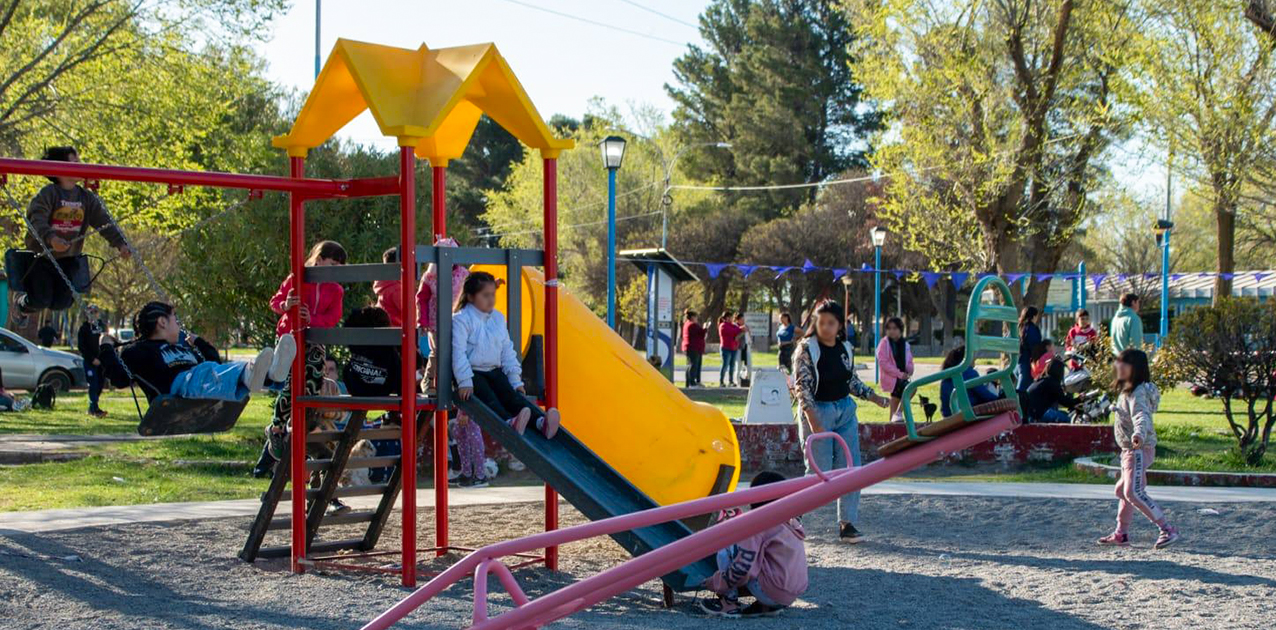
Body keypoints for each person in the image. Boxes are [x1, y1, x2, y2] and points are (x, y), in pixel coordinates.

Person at [792, 300, 889, 542]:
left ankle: (847, 524)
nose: (826, 327)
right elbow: (802, 387)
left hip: (844, 410)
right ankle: (793, 516)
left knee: (850, 467)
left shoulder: (845, 347)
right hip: (818, 410)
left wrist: (873, 397)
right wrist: (814, 421)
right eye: (821, 322)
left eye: (831, 323)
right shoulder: (806, 348)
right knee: (818, 470)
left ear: (839, 325)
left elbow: (851, 381)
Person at [98, 302, 293, 403]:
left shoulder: (180, 347)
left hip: (201, 382)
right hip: (180, 389)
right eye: (176, 319)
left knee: (215, 369)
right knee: (208, 372)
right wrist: (106, 346)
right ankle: (254, 373)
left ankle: (272, 375)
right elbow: (119, 379)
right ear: (162, 322)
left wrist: (198, 341)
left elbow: (213, 360)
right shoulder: (138, 351)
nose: (179, 324)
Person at [261, 240, 347, 470]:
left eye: (340, 267)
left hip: (314, 340)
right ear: (319, 260)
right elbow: (275, 302)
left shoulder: (335, 290)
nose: (336, 270)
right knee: (291, 383)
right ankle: (277, 427)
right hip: (291, 337)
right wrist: (286, 304)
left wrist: (312, 320)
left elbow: (332, 318)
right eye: (333, 264)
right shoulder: (297, 279)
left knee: (311, 383)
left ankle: (296, 425)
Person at [18, 146, 131, 316]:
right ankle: (21, 305)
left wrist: (120, 242)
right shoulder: (49, 194)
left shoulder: (85, 198)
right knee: (41, 298)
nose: (81, 166)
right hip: (41, 257)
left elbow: (104, 222)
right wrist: (51, 238)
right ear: (60, 168)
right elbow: (37, 219)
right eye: (75, 162)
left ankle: (39, 303)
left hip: (68, 258)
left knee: (62, 303)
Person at [453, 271, 561, 438]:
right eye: (485, 295)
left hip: (493, 370)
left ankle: (541, 422)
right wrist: (464, 381)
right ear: (470, 297)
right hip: (472, 372)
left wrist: (515, 380)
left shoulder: (497, 318)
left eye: (492, 295)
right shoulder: (461, 319)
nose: (491, 300)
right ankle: (508, 422)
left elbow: (507, 350)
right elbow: (458, 353)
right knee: (489, 398)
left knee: (511, 395)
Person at [1098, 349, 1180, 549]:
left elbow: (1141, 416)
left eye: (1123, 364)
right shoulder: (1129, 390)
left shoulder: (1137, 393)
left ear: (1134, 369)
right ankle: (1121, 533)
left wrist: (1138, 435)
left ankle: (1167, 529)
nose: (1118, 366)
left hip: (1137, 449)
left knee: (1132, 492)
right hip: (1131, 450)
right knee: (1123, 491)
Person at [699, 470, 808, 618]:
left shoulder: (758, 524)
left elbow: (743, 569)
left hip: (771, 591)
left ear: (755, 497)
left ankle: (729, 603)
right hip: (790, 595)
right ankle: (767, 606)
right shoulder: (791, 521)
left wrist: (716, 583)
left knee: (726, 547)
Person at [418, 237, 469, 391]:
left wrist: (494, 283)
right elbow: (422, 299)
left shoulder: (463, 274)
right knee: (438, 350)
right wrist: (423, 320)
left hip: (458, 319)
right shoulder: (430, 277)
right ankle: (429, 379)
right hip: (435, 321)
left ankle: (454, 380)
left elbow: (475, 288)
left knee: (457, 348)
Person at [938, 346, 1001, 418]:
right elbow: (985, 395)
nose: (975, 358)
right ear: (966, 358)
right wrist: (1000, 398)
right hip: (969, 414)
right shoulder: (970, 372)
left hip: (949, 416)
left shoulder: (946, 375)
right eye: (973, 355)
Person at [875, 317, 915, 422]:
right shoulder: (884, 343)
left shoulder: (905, 344)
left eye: (894, 328)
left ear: (900, 330)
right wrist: (899, 374)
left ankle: (894, 421)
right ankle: (898, 413)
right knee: (911, 389)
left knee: (895, 402)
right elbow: (883, 362)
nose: (891, 331)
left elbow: (909, 361)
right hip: (892, 378)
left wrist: (909, 371)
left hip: (902, 378)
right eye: (889, 328)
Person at [77, 305, 109, 418]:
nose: (94, 314)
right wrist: (92, 359)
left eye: (95, 312)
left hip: (102, 362)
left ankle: (92, 408)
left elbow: (106, 341)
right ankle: (95, 409)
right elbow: (81, 347)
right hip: (90, 362)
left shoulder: (101, 326)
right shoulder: (84, 328)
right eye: (91, 312)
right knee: (93, 384)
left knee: (100, 384)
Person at [1023, 358, 1076, 423]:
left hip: (1029, 413)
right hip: (1037, 415)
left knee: (1064, 414)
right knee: (1068, 419)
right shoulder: (1052, 383)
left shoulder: (1041, 380)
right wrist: (1079, 400)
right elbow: (1065, 402)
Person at [372, 247, 404, 327]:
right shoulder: (396, 289)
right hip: (396, 331)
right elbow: (411, 311)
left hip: (385, 327)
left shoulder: (385, 285)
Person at [1016, 306, 1042, 394]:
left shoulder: (1019, 327)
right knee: (1022, 390)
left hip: (1017, 361)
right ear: (1034, 316)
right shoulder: (1032, 329)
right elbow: (1035, 346)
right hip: (1027, 362)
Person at [681, 309, 706, 387]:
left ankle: (689, 383)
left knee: (689, 365)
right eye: (696, 317)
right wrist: (705, 328)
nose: (697, 319)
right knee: (693, 365)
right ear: (692, 317)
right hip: (694, 347)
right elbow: (701, 333)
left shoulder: (686, 324)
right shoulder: (693, 325)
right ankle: (692, 382)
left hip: (689, 347)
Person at [717, 311, 742, 387]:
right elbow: (733, 331)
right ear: (727, 318)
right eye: (731, 317)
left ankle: (731, 381)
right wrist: (741, 329)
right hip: (726, 348)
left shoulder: (732, 325)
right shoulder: (723, 326)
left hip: (733, 348)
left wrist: (740, 329)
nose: (732, 318)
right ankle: (721, 381)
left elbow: (737, 330)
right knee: (725, 365)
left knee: (732, 366)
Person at [734, 312, 752, 384]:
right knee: (739, 366)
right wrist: (742, 332)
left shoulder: (746, 326)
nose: (743, 321)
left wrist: (748, 332)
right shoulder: (735, 327)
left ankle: (748, 380)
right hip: (739, 348)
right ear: (737, 320)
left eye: (744, 319)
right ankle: (738, 381)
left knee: (749, 365)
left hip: (747, 347)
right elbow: (736, 338)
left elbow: (749, 336)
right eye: (741, 319)